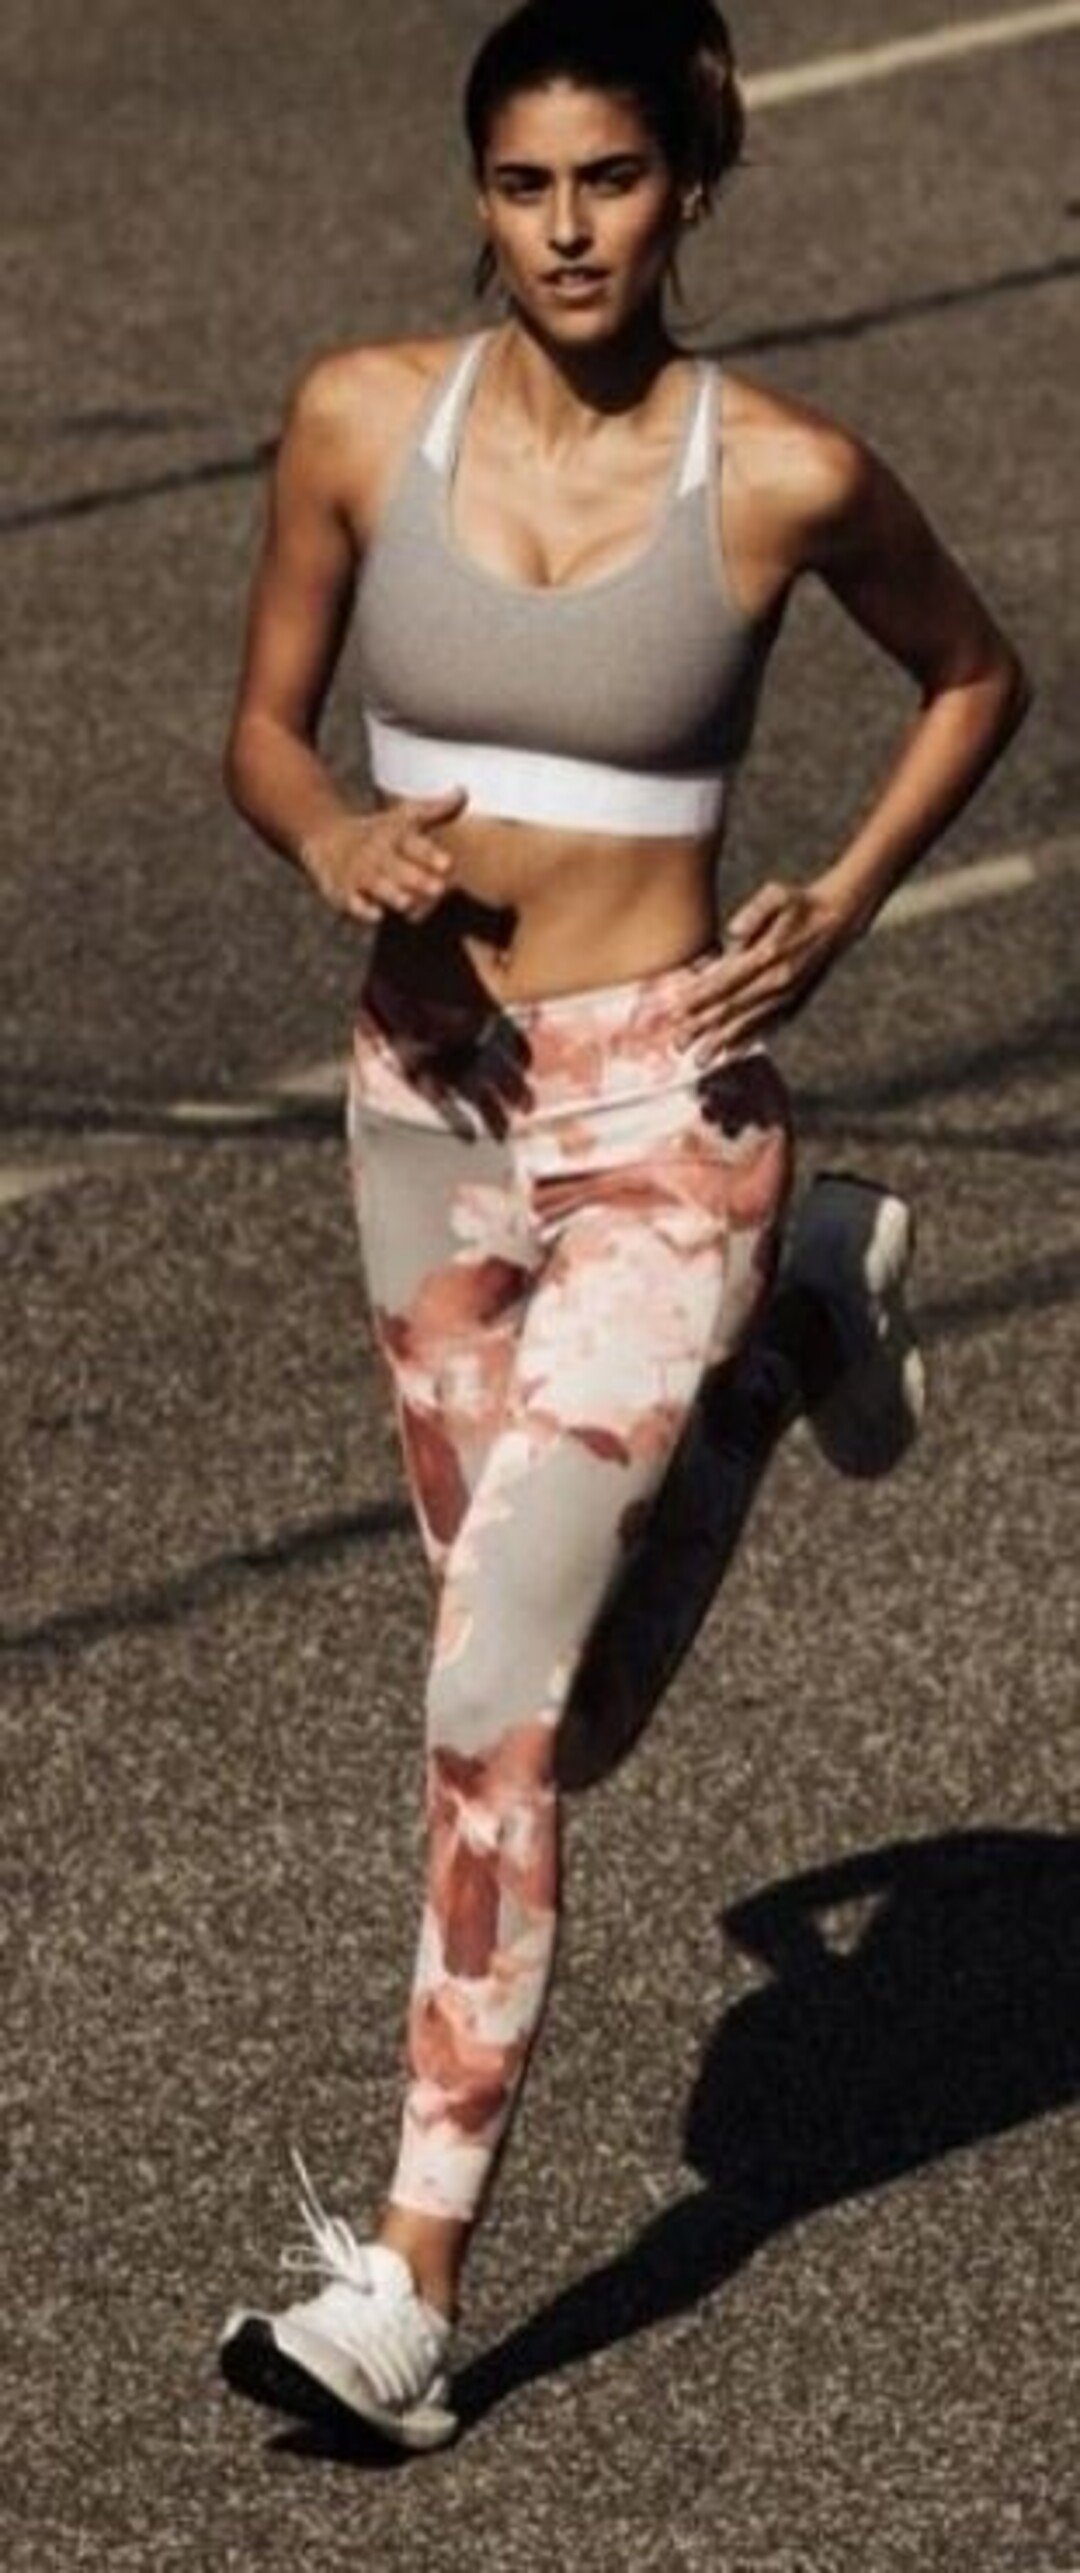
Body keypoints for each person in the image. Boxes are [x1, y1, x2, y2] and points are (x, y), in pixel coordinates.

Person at [217, 0, 1029, 2450]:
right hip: (430, 1113)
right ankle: (790, 1346)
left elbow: (973, 674)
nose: (567, 230)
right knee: (561, 1713)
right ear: (477, 192)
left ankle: (408, 2291)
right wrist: (333, 834)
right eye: (523, 184)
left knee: (487, 1699)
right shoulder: (362, 419)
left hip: (669, 1111)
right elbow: (260, 731)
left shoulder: (778, 473)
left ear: (688, 188)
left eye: (611, 180)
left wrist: (845, 905)